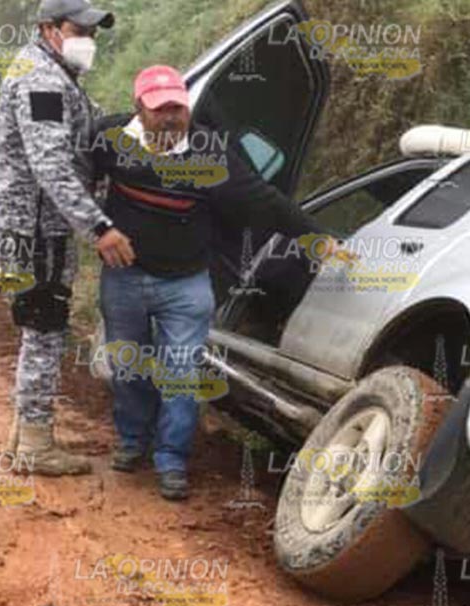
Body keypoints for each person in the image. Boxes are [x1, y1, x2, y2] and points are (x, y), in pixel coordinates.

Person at [89, 65, 348, 500]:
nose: (171, 117)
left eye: (178, 108)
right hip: (125, 279)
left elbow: (262, 201)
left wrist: (316, 237)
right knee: (129, 366)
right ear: (139, 109)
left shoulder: (211, 152)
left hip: (186, 284)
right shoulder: (109, 138)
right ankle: (133, 441)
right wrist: (97, 230)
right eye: (160, 109)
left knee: (183, 375)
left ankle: (171, 461)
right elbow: (74, 180)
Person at [0, 0, 135, 475]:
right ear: (48, 29)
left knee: (39, 328)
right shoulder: (42, 81)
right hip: (33, 230)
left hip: (36, 225)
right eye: (79, 29)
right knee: (45, 330)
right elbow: (51, 166)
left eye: (93, 31)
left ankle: (22, 436)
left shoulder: (56, 74)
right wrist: (100, 227)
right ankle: (34, 446)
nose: (88, 39)